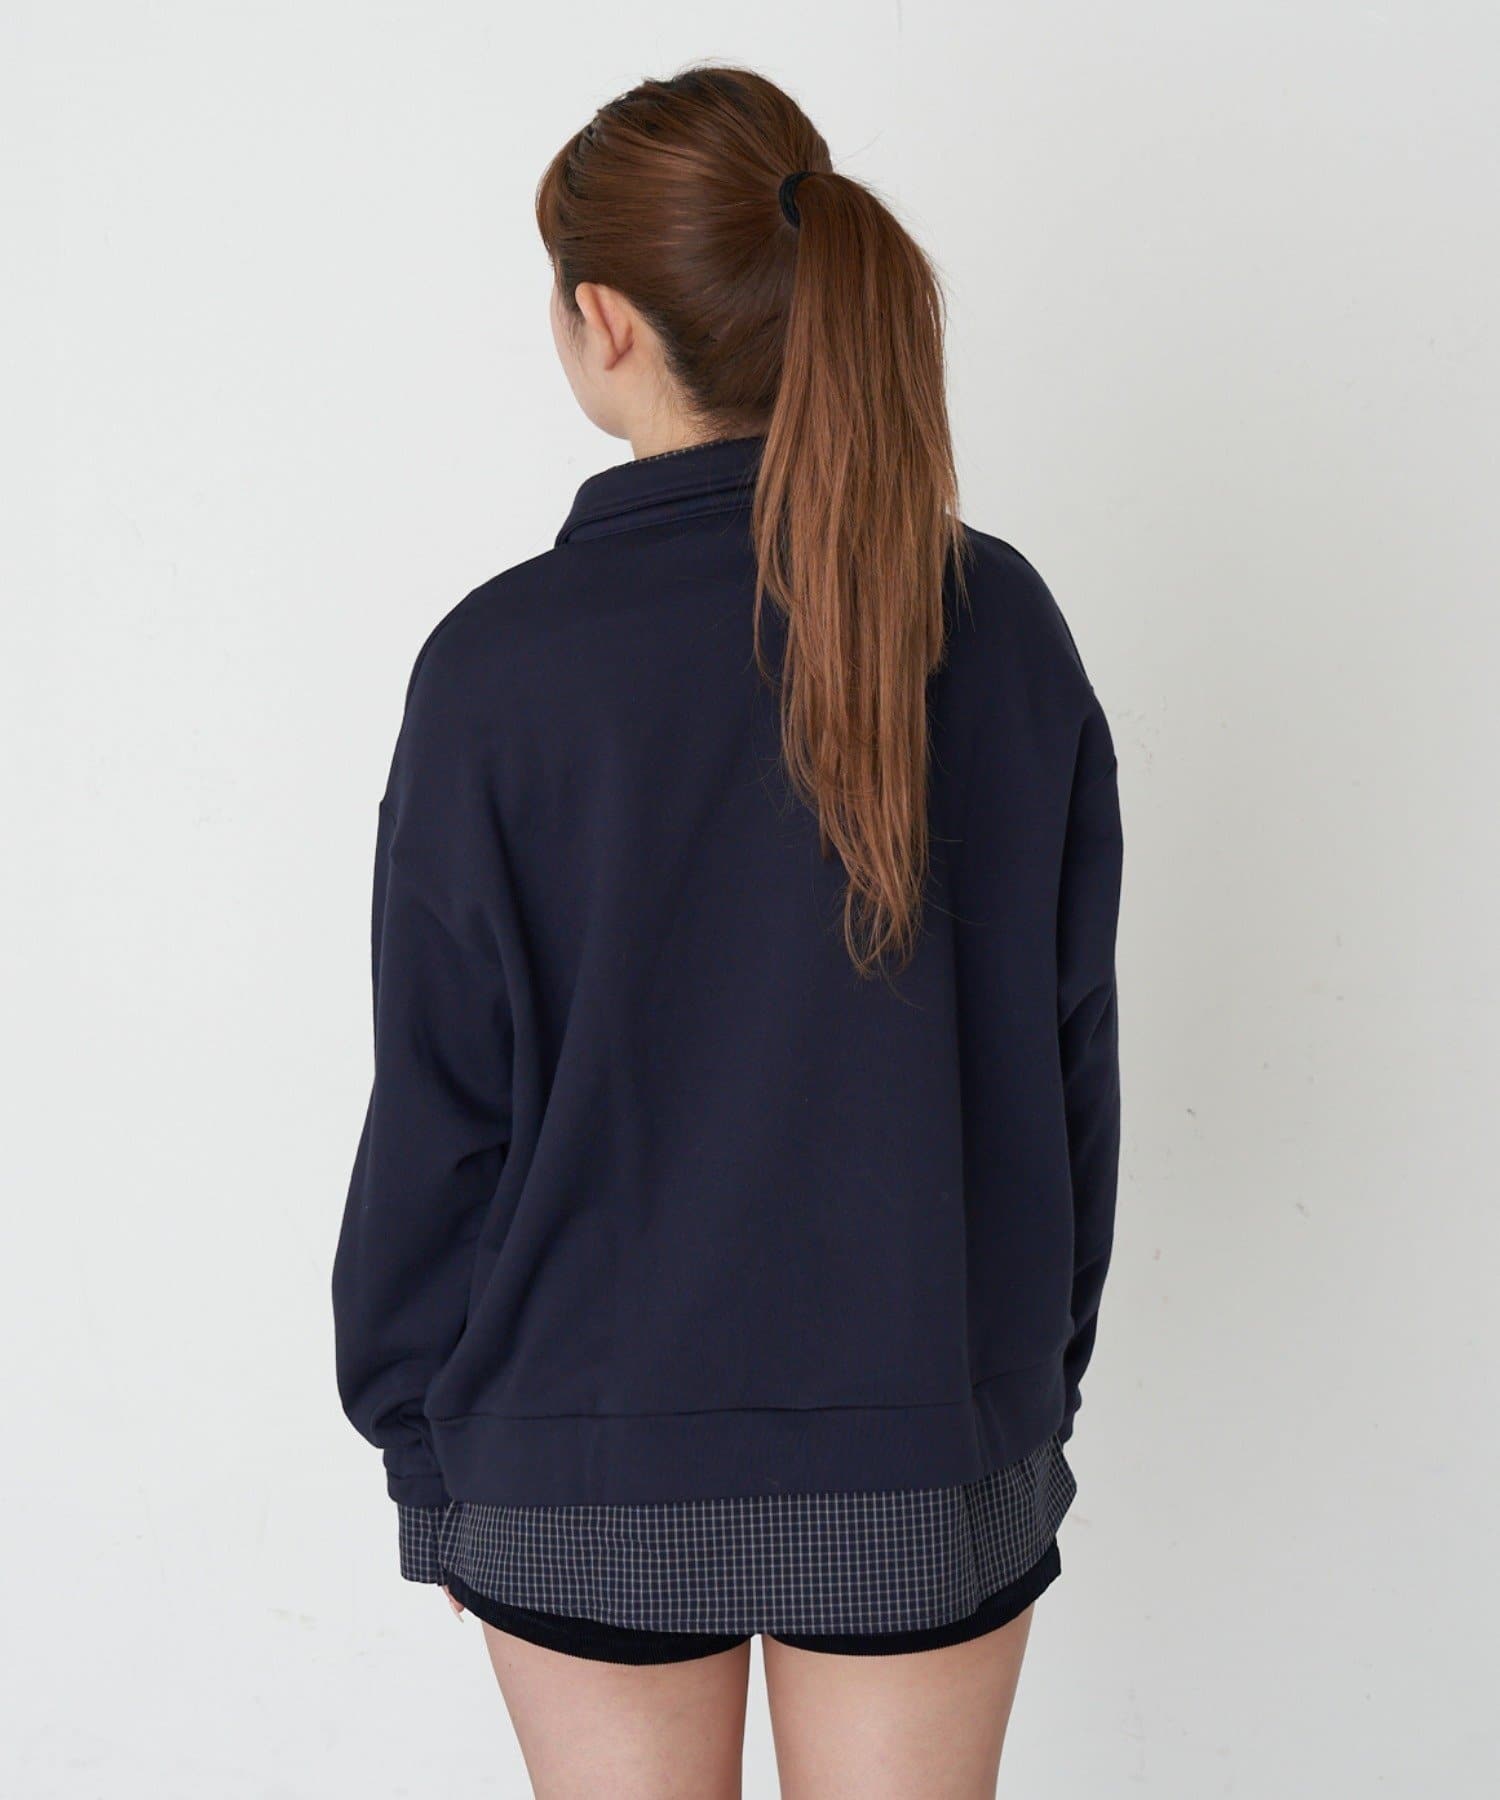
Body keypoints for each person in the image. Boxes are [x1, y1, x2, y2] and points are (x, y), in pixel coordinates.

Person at [332, 64, 1123, 1799]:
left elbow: (442, 1102)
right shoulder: (996, 625)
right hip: (926, 1430)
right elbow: (1067, 1066)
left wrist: (421, 1436)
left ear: (605, 320)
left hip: (576, 1447)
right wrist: (1014, 1389)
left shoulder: (501, 668)